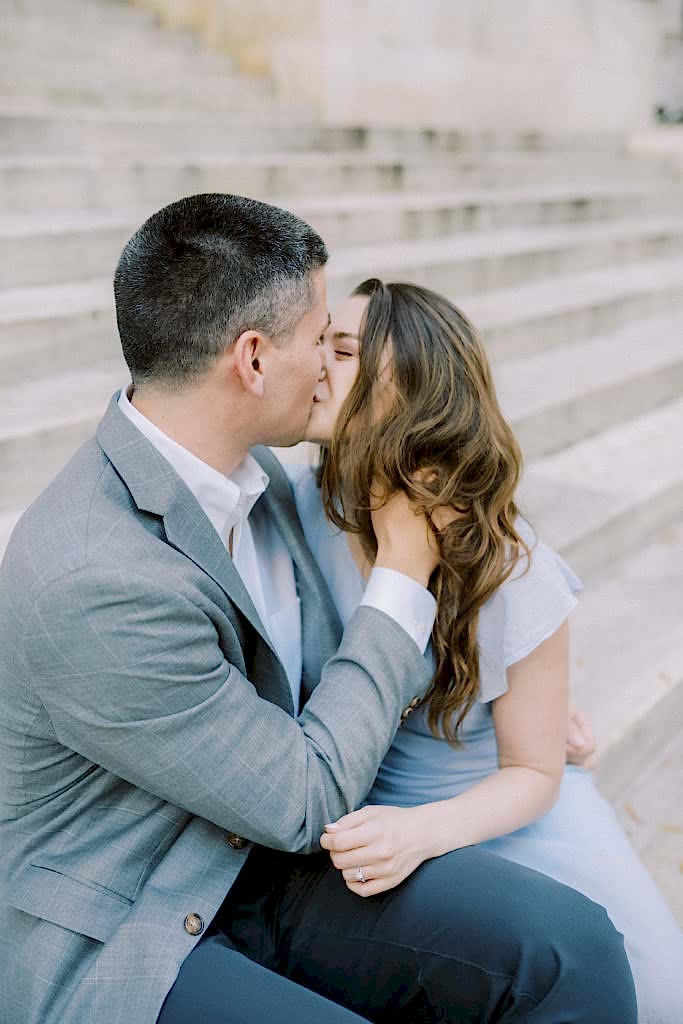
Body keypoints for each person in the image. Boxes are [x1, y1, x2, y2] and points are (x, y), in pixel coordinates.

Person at [0, 195, 637, 1024]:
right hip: (131, 916)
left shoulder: (261, 478)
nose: (333, 364)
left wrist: (507, 687)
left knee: (565, 950)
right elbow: (305, 798)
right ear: (253, 361)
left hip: (257, 856)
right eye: (322, 339)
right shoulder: (94, 576)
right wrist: (404, 577)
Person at [289, 277, 683, 1024]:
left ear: (411, 394)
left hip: (493, 812)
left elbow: (532, 771)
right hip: (352, 803)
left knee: (650, 992)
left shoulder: (506, 562)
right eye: (320, 344)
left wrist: (421, 832)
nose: (314, 364)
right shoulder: (294, 500)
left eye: (340, 350)